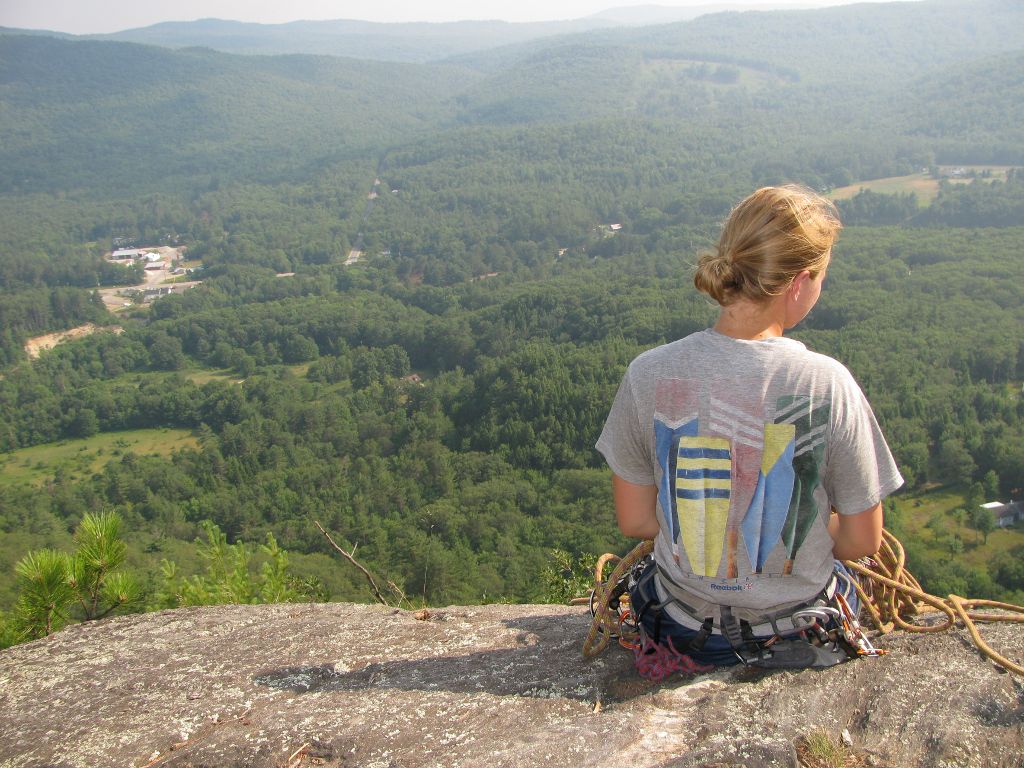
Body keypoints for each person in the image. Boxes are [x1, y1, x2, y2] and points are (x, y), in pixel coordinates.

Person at [595, 185, 903, 669]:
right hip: (796, 627)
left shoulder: (649, 372)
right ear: (800, 283)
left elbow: (635, 521)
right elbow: (864, 541)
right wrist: (798, 535)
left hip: (679, 623)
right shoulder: (827, 383)